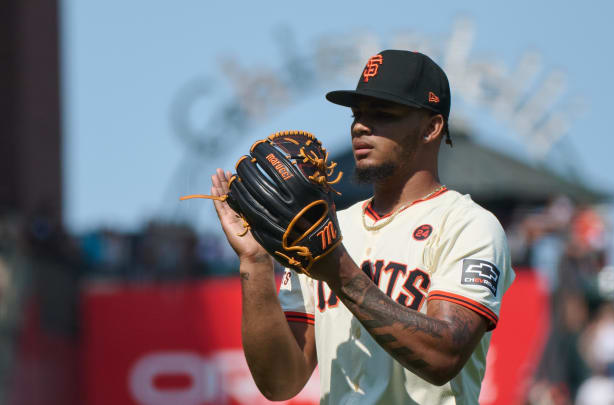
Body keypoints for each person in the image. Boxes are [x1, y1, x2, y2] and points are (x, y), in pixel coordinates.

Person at [210, 49, 515, 404]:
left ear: (431, 128)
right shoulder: (326, 230)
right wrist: (256, 264)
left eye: (382, 114)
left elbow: (443, 356)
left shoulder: (469, 225)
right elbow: (280, 384)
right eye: (358, 114)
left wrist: (338, 270)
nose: (360, 126)